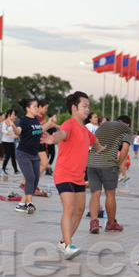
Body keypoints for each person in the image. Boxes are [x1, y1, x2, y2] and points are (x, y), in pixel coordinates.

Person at [43, 91, 106, 260]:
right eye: (84, 106)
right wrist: (53, 139)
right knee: (69, 209)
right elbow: (61, 134)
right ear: (74, 108)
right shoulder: (68, 125)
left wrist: (101, 148)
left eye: (88, 106)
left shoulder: (85, 130)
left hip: (78, 177)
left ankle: (64, 242)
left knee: (79, 210)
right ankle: (69, 246)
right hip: (64, 174)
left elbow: (94, 141)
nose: (87, 109)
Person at [87, 115, 132, 233]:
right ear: (128, 124)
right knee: (110, 195)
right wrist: (119, 163)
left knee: (95, 193)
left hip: (92, 162)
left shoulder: (104, 125)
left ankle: (94, 222)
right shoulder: (126, 129)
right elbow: (125, 149)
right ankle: (111, 223)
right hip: (108, 164)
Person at [9, 98, 54, 213]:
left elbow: (40, 129)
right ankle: (29, 203)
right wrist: (13, 126)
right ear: (28, 108)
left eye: (37, 106)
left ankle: (21, 204)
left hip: (34, 155)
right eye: (34, 106)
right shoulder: (24, 120)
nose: (37, 108)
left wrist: (49, 123)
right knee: (30, 178)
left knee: (35, 180)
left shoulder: (35, 120)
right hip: (23, 153)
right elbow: (18, 131)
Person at [1, 109, 21, 176]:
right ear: (9, 115)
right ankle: (2, 170)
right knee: (8, 155)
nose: (14, 116)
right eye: (13, 114)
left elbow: (15, 131)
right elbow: (3, 130)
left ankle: (16, 170)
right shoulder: (5, 122)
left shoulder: (12, 122)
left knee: (13, 156)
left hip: (11, 141)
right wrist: (12, 134)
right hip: (5, 141)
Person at [36, 99, 51, 176]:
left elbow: (45, 127)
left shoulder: (43, 116)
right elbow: (35, 127)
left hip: (41, 142)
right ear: (40, 107)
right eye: (45, 108)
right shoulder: (34, 116)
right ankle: (26, 184)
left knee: (45, 164)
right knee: (32, 166)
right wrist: (44, 123)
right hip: (34, 143)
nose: (46, 110)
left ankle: (33, 181)